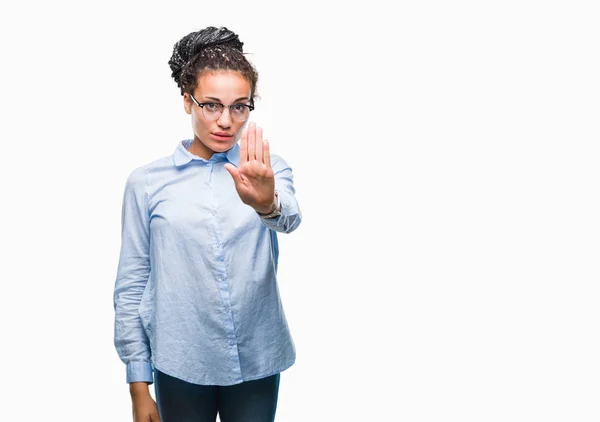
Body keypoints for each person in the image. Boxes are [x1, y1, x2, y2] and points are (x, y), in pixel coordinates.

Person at [113, 26, 302, 422]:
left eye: (239, 106)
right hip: (181, 360)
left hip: (257, 356)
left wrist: (266, 202)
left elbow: (289, 218)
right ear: (187, 101)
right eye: (211, 105)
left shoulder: (268, 169)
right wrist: (138, 382)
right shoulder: (147, 183)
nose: (225, 120)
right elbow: (133, 282)